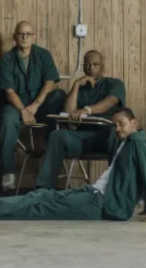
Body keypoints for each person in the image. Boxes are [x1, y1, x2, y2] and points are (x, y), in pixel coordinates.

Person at [0, 107, 146, 222]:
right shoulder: (126, 143)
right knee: (42, 201)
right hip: (93, 194)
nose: (118, 129)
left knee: (42, 202)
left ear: (134, 123)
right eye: (115, 125)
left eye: (122, 124)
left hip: (101, 204)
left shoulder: (139, 143)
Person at [34, 50, 126, 189]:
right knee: (57, 135)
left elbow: (110, 101)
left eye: (95, 64)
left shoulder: (113, 83)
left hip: (105, 136)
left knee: (116, 133)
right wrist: (76, 85)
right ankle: (43, 190)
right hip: (82, 137)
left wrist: (86, 110)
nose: (91, 67)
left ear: (102, 68)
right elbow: (68, 113)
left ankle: (118, 190)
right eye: (87, 64)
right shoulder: (80, 89)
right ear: (83, 67)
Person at [0, 21, 65, 190]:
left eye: (28, 34)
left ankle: (52, 156)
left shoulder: (43, 55)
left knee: (58, 96)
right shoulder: (6, 59)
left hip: (40, 106)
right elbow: (9, 91)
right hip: (16, 105)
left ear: (33, 36)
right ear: (15, 37)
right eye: (21, 34)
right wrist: (22, 110)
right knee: (6, 117)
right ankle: (8, 176)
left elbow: (50, 82)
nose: (24, 37)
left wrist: (35, 106)